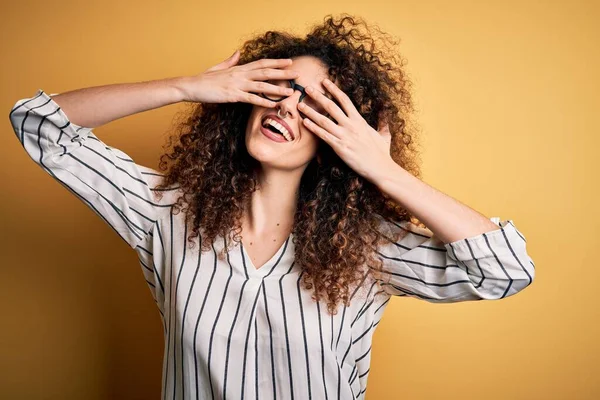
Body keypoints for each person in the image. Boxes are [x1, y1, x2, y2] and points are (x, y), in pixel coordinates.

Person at [8, 14, 535, 400]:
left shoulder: (365, 249)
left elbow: (505, 270)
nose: (287, 106)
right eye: (279, 89)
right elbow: (39, 123)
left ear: (339, 136)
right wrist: (187, 86)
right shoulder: (166, 213)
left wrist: (383, 169)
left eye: (315, 104)